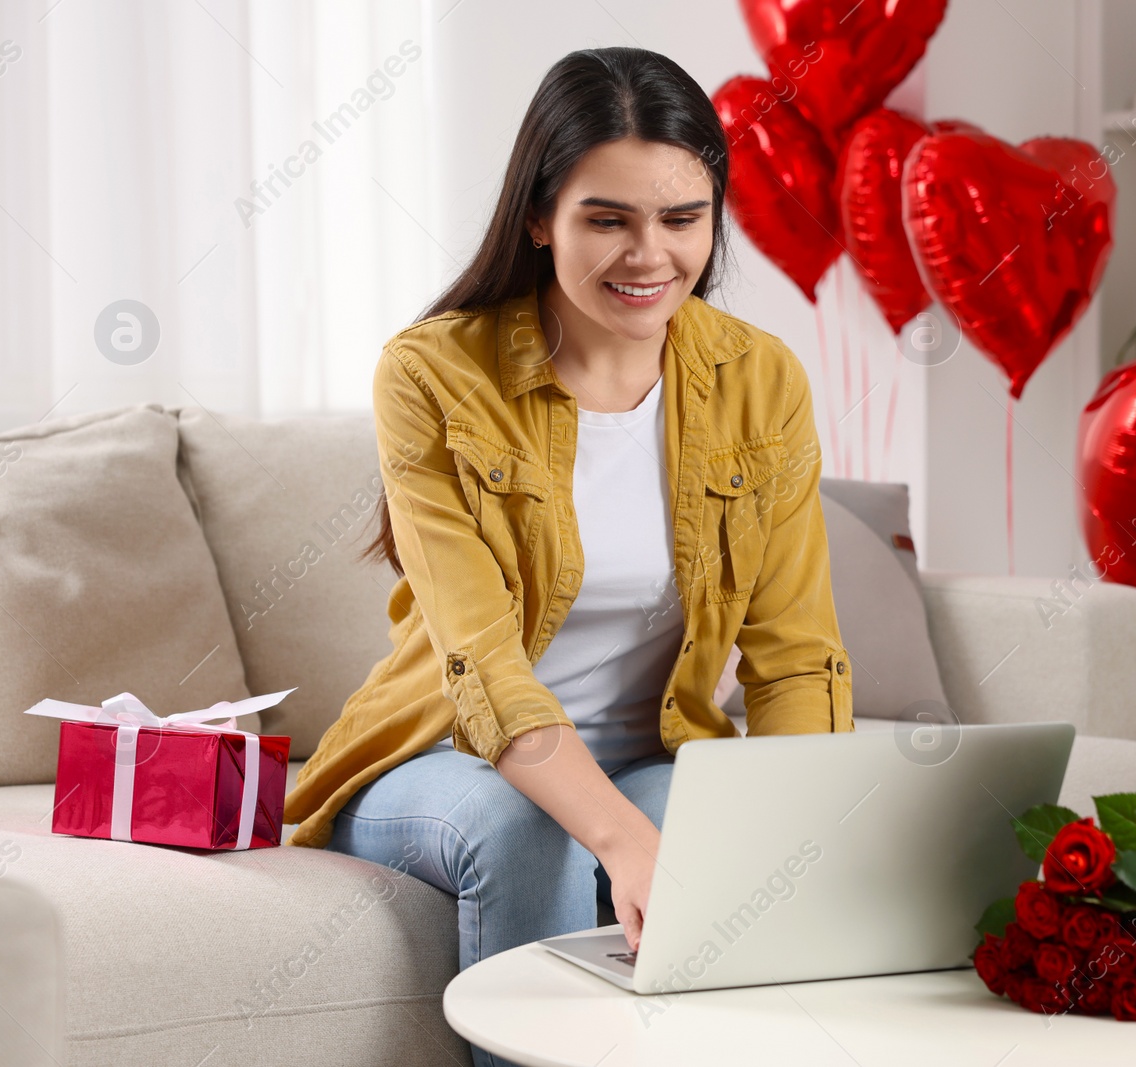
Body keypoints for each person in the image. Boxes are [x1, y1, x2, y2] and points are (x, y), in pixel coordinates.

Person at [281, 45, 854, 1067]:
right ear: (540, 216)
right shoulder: (432, 373)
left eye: (682, 218)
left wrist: (791, 821)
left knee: (736, 838)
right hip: (444, 755)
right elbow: (483, 666)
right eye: (608, 218)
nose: (650, 254)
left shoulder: (760, 379)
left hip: (651, 752)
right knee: (526, 826)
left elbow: (795, 652)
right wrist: (623, 839)